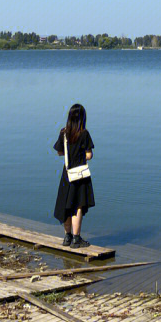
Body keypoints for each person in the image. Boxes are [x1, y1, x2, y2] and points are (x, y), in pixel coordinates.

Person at [53, 102, 95, 248]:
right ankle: (76, 239)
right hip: (80, 174)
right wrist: (80, 153)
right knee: (78, 205)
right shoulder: (84, 134)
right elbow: (89, 155)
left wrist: (69, 152)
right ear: (83, 118)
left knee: (66, 204)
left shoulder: (64, 133)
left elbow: (59, 152)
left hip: (67, 173)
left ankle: (67, 237)